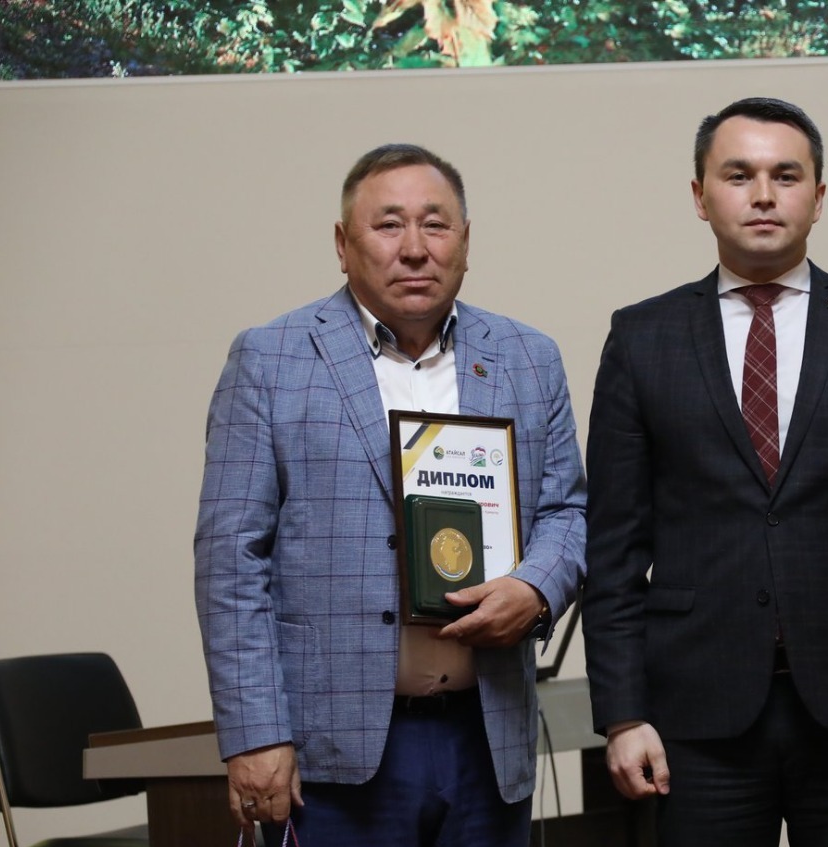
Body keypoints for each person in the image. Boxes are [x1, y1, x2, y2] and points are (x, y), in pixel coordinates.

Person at [580, 96, 828, 846]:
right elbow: (614, 548)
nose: (763, 195)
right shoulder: (641, 337)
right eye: (739, 175)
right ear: (701, 196)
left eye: (785, 176)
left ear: (818, 197)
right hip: (695, 712)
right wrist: (622, 715)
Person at [194, 143, 586, 846]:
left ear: (465, 241)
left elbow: (567, 511)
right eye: (388, 225)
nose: (414, 248)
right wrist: (254, 733)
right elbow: (231, 559)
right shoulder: (270, 359)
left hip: (486, 736)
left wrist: (535, 588)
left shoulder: (528, 357)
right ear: (342, 244)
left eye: (435, 224)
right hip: (333, 751)